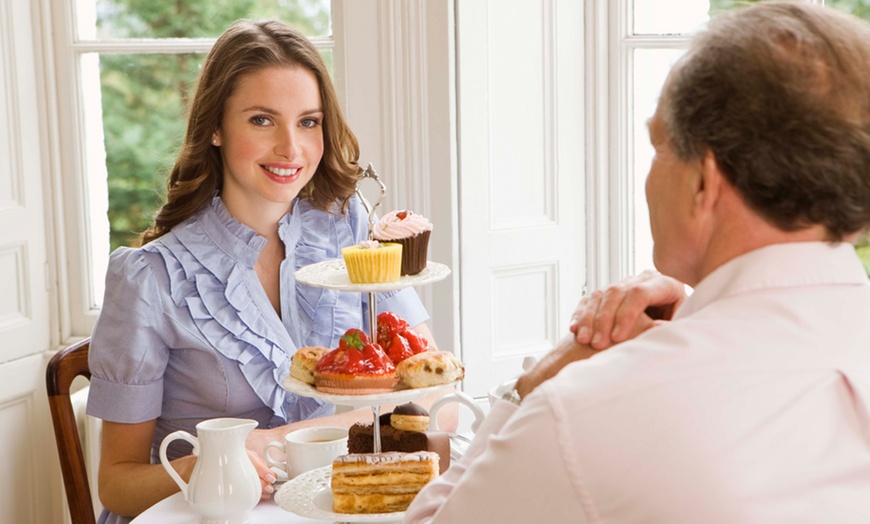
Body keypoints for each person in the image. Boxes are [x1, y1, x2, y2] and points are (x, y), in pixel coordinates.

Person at [405, 2, 870, 522]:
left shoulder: (585, 414)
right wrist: (701, 316)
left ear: (703, 181)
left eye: (658, 147)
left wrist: (531, 387)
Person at [85, 19, 442, 523]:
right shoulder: (150, 277)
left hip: (319, 506)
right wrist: (208, 463)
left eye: (309, 122)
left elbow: (422, 386)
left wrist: (280, 442)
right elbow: (117, 486)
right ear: (215, 127)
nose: (291, 149)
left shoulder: (351, 230)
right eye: (261, 120)